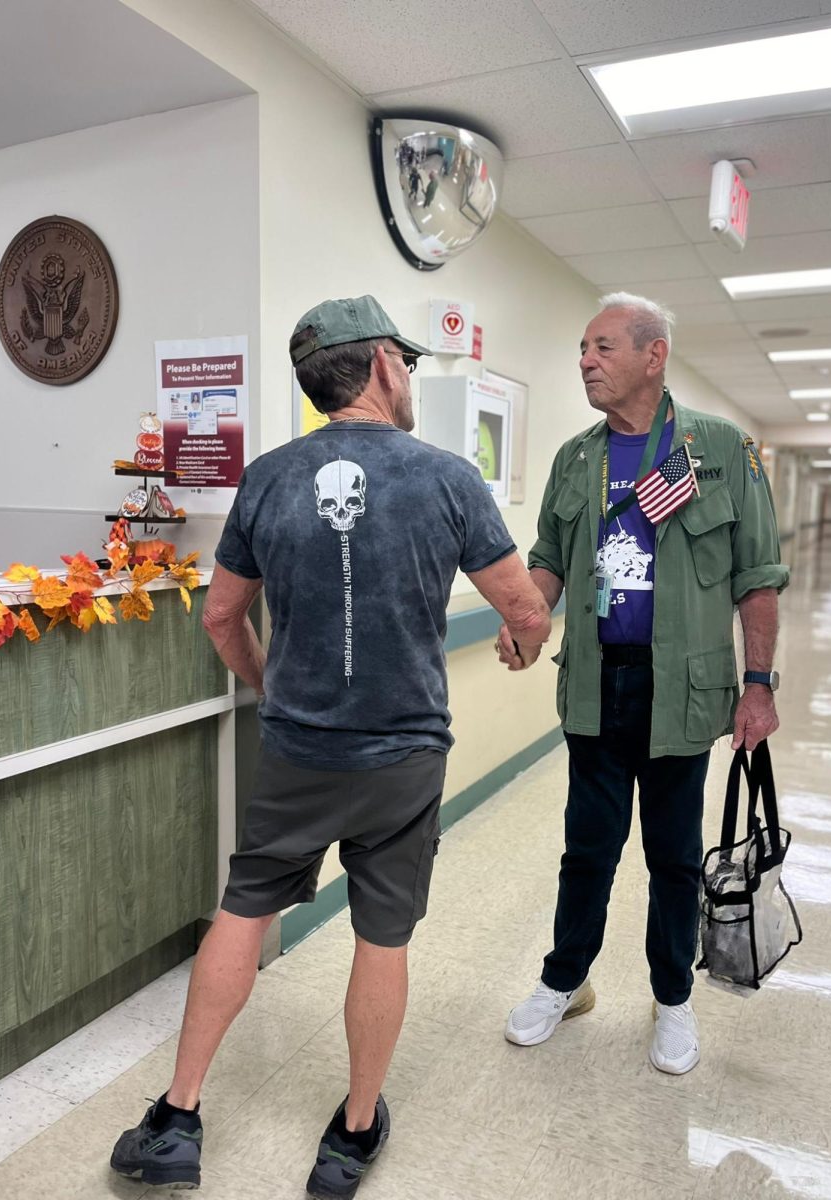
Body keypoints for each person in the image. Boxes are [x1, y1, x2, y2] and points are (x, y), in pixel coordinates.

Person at [110, 295, 551, 1196]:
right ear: (385, 364)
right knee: (380, 939)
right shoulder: (448, 478)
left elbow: (223, 616)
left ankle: (179, 1117)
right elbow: (526, 609)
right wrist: (521, 641)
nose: (415, 377)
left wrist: (273, 686)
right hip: (402, 760)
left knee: (245, 910)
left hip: (297, 755)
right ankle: (351, 1139)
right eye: (412, 364)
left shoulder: (268, 478)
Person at [498, 292, 788, 1075]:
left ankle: (672, 1001)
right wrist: (528, 617)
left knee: (672, 855)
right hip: (597, 684)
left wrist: (757, 684)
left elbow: (758, 578)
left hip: (683, 691)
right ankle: (565, 980)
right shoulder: (576, 459)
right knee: (586, 849)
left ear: (652, 357)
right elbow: (549, 559)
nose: (586, 361)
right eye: (583, 350)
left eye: (602, 348)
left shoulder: (721, 450)